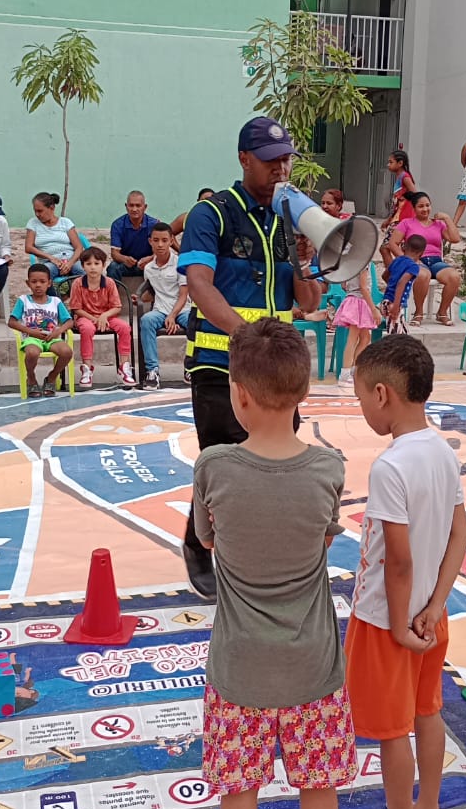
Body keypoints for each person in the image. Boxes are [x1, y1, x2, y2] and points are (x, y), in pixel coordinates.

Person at [191, 318, 356, 809]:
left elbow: (207, 539)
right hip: (314, 665)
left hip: (239, 669)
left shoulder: (213, 467)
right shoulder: (328, 469)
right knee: (318, 785)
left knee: (238, 791)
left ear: (238, 394)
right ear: (303, 393)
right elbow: (325, 534)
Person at [177, 116, 324, 601]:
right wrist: (248, 338)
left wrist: (304, 255)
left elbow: (306, 301)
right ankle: (200, 549)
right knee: (221, 465)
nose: (281, 169)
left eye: (285, 159)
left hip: (276, 367)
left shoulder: (288, 219)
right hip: (221, 366)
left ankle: (263, 556)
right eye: (270, 160)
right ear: (244, 159)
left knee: (277, 460)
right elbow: (199, 284)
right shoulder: (212, 215)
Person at [342, 335, 466, 809]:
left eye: (358, 395)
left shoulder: (391, 466)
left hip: (386, 622)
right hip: (429, 618)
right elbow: (459, 534)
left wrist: (397, 625)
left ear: (381, 394)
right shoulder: (442, 450)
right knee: (427, 712)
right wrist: (435, 605)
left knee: (393, 729)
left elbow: (397, 559)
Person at [68, 247, 135, 388]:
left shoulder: (109, 283)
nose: (93, 267)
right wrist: (94, 319)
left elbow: (117, 307)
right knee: (86, 329)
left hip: (107, 317)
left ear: (103, 265)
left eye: (97, 263)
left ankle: (124, 366)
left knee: (124, 327)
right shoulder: (78, 284)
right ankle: (87, 367)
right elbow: (76, 308)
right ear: (83, 266)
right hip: (85, 317)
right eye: (88, 264)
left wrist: (104, 315)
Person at [395, 193, 461, 326]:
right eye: (421, 206)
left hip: (436, 261)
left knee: (454, 276)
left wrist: (447, 219)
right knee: (422, 275)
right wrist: (406, 260)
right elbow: (393, 243)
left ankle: (441, 312)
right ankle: (418, 313)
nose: (425, 209)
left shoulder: (438, 224)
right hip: (417, 260)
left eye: (427, 205)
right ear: (414, 208)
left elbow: (455, 239)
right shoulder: (407, 223)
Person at [9, 263, 74, 397]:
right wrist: (31, 332)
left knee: (67, 352)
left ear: (49, 283)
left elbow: (69, 321)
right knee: (32, 353)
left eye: (42, 281)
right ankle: (31, 378)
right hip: (32, 338)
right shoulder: (24, 300)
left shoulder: (55, 301)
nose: (38, 285)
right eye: (34, 282)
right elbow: (12, 322)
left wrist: (58, 331)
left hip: (52, 338)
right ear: (28, 283)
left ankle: (52, 377)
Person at [138, 222, 190, 390]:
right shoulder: (148, 268)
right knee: (146, 320)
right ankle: (152, 371)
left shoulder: (181, 264)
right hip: (160, 311)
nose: (160, 244)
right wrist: (139, 298)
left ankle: (190, 367)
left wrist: (173, 316)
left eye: (164, 240)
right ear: (150, 242)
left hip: (182, 310)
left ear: (171, 241)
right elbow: (152, 293)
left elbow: (183, 295)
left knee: (195, 322)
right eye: (156, 240)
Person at [332, 256, 382, 388]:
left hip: (354, 300)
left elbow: (343, 285)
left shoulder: (351, 262)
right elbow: (364, 288)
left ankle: (355, 371)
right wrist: (373, 309)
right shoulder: (363, 262)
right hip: (358, 302)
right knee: (352, 339)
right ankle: (344, 375)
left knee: (365, 338)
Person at [25, 191, 87, 281]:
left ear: (52, 208)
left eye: (40, 211)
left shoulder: (65, 222)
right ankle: (53, 295)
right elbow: (28, 247)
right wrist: (51, 258)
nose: (37, 214)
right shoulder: (33, 223)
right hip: (49, 262)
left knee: (88, 273)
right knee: (42, 277)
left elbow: (79, 247)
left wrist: (70, 263)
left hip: (71, 260)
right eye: (35, 211)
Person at [108, 190, 159, 282]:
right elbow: (114, 253)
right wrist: (124, 259)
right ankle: (113, 296)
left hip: (148, 264)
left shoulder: (154, 224)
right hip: (127, 265)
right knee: (113, 267)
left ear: (145, 207)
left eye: (138, 205)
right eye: (131, 205)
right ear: (126, 206)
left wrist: (151, 258)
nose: (134, 209)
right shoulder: (117, 225)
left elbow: (161, 250)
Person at [381, 234, 424, 334]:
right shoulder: (413, 266)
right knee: (396, 335)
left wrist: (392, 285)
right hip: (393, 304)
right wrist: (396, 305)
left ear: (403, 247)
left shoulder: (397, 260)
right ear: (421, 253)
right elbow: (402, 283)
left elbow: (384, 276)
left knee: (402, 332)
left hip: (386, 301)